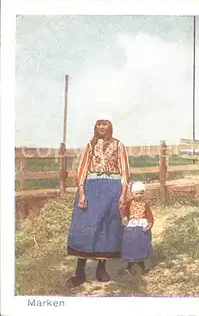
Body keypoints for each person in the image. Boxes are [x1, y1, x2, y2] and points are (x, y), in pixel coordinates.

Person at [66, 113, 131, 288]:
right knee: (85, 226)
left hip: (112, 188)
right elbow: (83, 169)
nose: (102, 127)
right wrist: (81, 193)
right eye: (99, 124)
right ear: (95, 126)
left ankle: (101, 268)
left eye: (105, 123)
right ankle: (80, 271)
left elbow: (125, 172)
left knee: (107, 227)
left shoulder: (119, 145)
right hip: (91, 188)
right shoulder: (90, 145)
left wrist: (123, 194)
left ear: (110, 125)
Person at [121, 181, 154, 275]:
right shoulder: (129, 203)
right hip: (132, 226)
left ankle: (141, 265)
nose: (139, 195)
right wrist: (123, 213)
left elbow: (149, 215)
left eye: (141, 193)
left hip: (142, 226)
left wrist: (150, 223)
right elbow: (124, 211)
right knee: (131, 244)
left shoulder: (145, 204)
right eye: (136, 193)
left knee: (141, 244)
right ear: (132, 193)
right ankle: (130, 264)